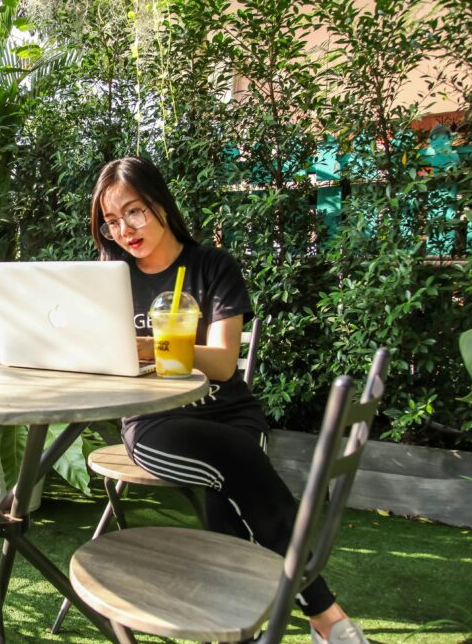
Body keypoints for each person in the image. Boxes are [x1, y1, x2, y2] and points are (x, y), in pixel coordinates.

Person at [90, 156, 369, 644]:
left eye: (133, 212)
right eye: (111, 221)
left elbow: (220, 363)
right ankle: (325, 616)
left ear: (160, 204)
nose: (123, 230)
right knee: (237, 464)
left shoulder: (212, 266)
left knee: (229, 487)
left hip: (231, 411)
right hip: (157, 423)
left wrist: (147, 346)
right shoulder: (110, 280)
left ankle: (237, 630)